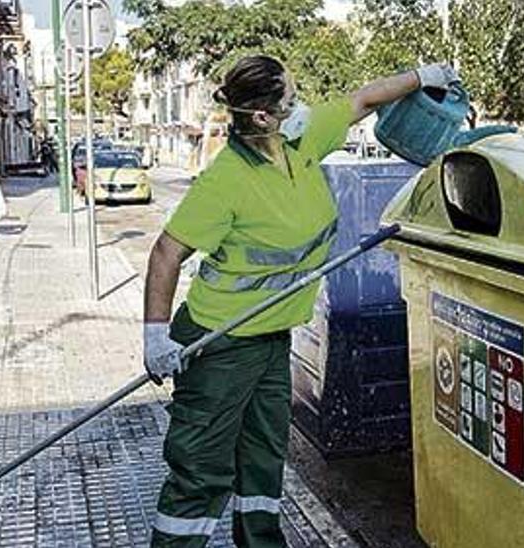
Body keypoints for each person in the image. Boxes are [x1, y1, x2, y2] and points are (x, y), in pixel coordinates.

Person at [141, 55, 459, 547]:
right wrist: (155, 335)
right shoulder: (227, 180)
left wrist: (426, 77)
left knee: (264, 457)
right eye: (291, 100)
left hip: (270, 341)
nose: (301, 105)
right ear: (263, 117)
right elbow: (167, 252)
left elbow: (363, 98)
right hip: (217, 344)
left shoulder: (303, 142)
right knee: (201, 472)